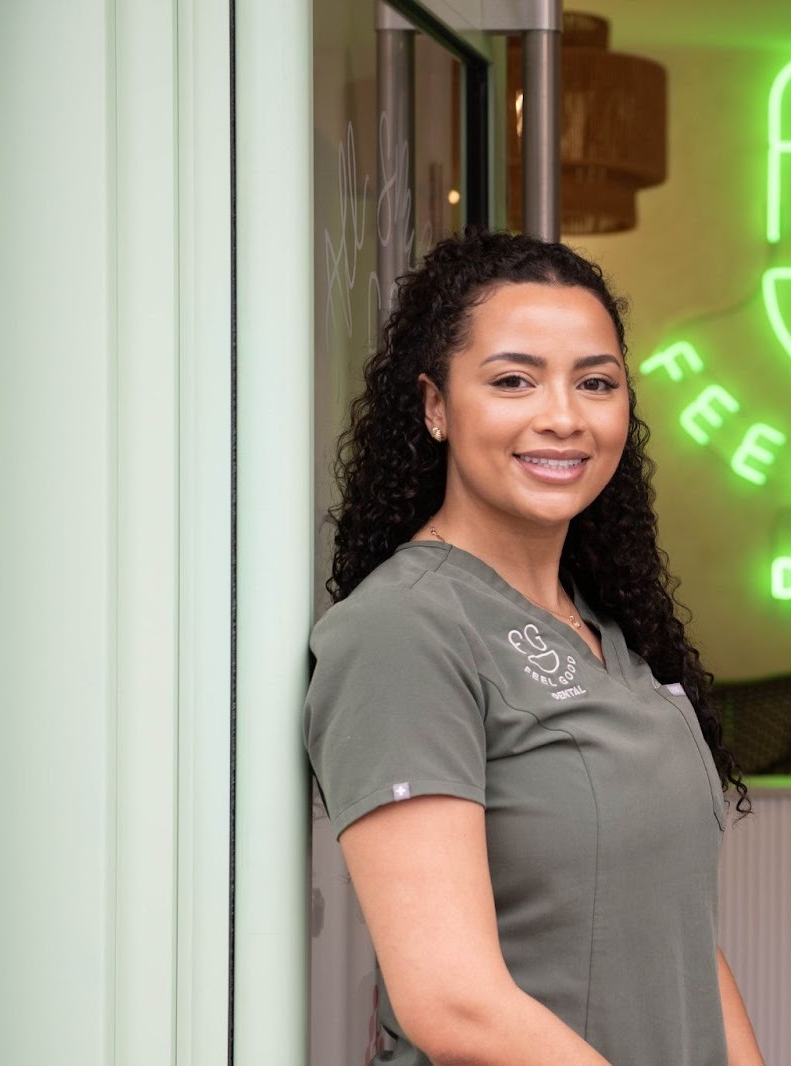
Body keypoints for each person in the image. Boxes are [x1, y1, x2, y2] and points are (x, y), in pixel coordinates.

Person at [305, 228, 762, 1066]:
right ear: (436, 406)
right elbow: (454, 1004)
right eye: (513, 380)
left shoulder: (610, 629)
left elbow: (678, 942)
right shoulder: (404, 631)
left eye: (596, 382)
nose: (563, 416)